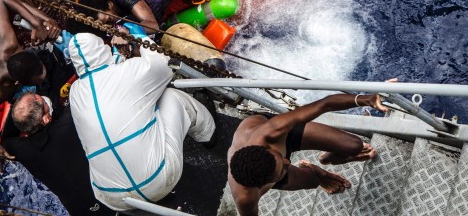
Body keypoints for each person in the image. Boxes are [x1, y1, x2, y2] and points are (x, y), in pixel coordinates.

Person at [63, 22, 216, 212]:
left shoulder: (75, 92)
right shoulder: (128, 73)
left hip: (113, 198)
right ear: (103, 50)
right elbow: (164, 65)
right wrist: (142, 38)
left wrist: (120, 55)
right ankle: (209, 135)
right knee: (171, 96)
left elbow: (105, 75)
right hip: (158, 180)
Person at [227, 93, 388, 215]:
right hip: (269, 166)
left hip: (284, 137)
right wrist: (316, 176)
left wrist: (366, 100)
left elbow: (325, 104)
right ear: (263, 185)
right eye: (283, 170)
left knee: (353, 145)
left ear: (266, 149)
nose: (289, 162)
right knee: (313, 181)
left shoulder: (272, 131)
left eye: (282, 159)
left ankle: (329, 157)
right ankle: (318, 172)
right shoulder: (246, 198)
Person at [0, 0, 66, 170]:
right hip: (32, 100)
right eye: (39, 76)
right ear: (22, 82)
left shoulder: (8, 45)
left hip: (40, 62)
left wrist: (37, 23)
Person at [0, 94, 114, 215]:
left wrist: (18, 110)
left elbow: (6, 138)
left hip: (80, 209)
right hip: (108, 193)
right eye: (44, 102)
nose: (46, 101)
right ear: (45, 119)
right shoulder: (68, 123)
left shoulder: (24, 151)